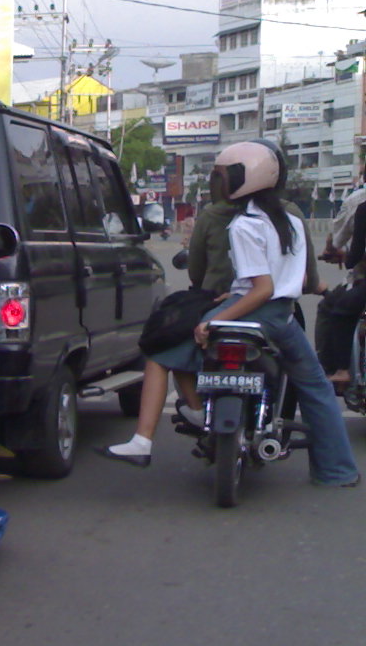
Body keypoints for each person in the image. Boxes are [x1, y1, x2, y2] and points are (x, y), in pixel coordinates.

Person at [98, 141, 359, 487]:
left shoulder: (243, 224)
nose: (219, 183)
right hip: (282, 318)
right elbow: (284, 282)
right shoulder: (292, 221)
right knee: (316, 388)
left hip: (255, 312)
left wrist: (215, 319)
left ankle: (144, 441)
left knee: (159, 352)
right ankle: (337, 471)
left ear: (241, 178)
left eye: (224, 175)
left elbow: (262, 289)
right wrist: (233, 294)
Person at [314, 190, 366, 384]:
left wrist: (344, 256)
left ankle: (338, 370)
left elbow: (352, 259)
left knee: (337, 309)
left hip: (362, 281)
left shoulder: (360, 204)